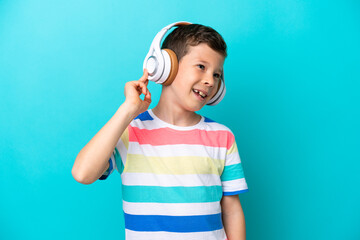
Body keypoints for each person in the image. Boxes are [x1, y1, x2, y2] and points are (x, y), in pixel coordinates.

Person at [72, 22, 249, 240]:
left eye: (217, 75)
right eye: (201, 67)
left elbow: (231, 208)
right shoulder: (130, 131)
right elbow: (82, 173)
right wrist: (127, 110)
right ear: (166, 67)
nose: (209, 81)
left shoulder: (222, 137)